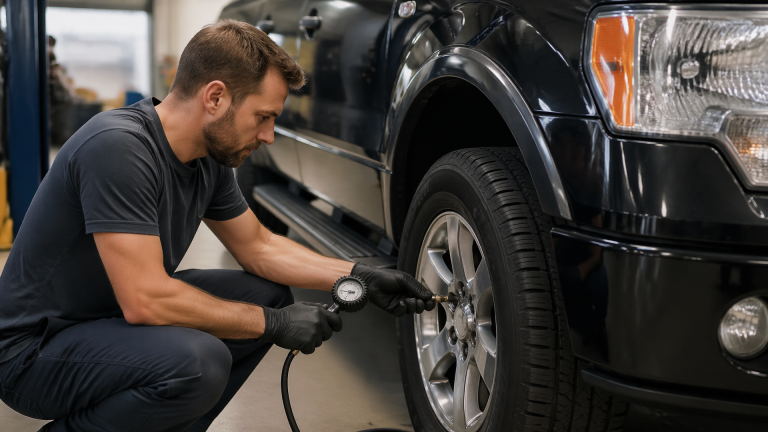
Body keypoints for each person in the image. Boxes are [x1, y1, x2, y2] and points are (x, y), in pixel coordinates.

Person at [0, 20, 435, 432]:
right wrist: (273, 325)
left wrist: (357, 276)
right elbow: (146, 300)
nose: (267, 135)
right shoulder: (118, 148)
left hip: (103, 317)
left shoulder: (207, 159)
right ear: (215, 98)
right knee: (198, 361)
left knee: (267, 294)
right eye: (263, 116)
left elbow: (259, 246)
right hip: (32, 353)